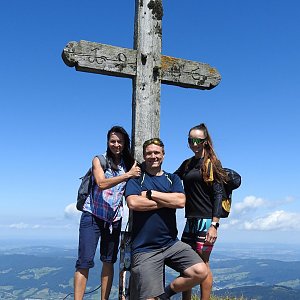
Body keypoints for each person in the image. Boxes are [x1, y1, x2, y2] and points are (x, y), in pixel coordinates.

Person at [125, 138, 208, 300]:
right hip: (145, 249)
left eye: (157, 152)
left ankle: (165, 294)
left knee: (200, 271)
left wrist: (151, 194)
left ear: (163, 155)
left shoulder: (173, 179)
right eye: (149, 153)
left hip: (171, 243)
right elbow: (133, 203)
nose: (153, 156)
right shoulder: (136, 179)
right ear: (144, 156)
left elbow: (180, 202)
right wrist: (167, 201)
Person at [74, 126, 141, 300]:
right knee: (84, 262)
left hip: (113, 219)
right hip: (92, 216)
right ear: (107, 142)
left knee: (109, 261)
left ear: (125, 142)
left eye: (120, 141)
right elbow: (101, 183)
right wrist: (127, 175)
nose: (116, 144)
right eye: (113, 141)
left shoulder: (129, 164)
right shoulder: (99, 160)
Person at [174, 123, 227, 300]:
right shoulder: (187, 164)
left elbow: (218, 195)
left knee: (203, 264)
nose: (194, 143)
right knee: (186, 265)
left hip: (205, 221)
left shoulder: (212, 164)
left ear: (205, 141)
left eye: (198, 140)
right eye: (191, 140)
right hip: (190, 220)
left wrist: (214, 225)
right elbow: (172, 179)